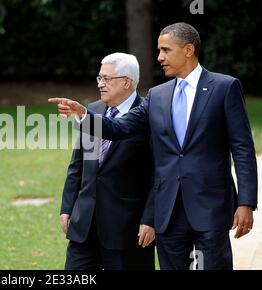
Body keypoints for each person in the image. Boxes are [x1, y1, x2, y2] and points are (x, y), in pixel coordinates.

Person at [49, 22, 257, 270]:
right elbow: (120, 128)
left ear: (188, 50)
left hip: (210, 206)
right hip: (168, 212)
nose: (159, 57)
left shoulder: (225, 87)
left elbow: (242, 149)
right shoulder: (157, 95)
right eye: (159, 51)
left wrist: (246, 202)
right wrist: (83, 114)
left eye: (166, 50)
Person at [60, 53, 155, 270]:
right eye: (99, 78)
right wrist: (67, 207)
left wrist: (150, 219)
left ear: (126, 82)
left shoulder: (150, 116)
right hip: (84, 226)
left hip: (128, 230)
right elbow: (78, 164)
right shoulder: (91, 110)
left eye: (106, 79)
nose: (100, 84)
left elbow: (158, 175)